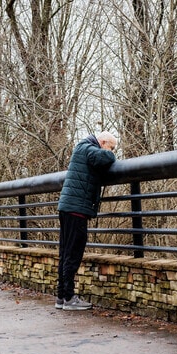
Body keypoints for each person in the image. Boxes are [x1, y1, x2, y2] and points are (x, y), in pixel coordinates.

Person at [56, 131, 117, 310]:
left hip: (69, 207)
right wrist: (111, 154)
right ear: (103, 141)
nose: (112, 151)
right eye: (111, 147)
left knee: (65, 252)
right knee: (73, 253)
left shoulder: (82, 147)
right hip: (76, 210)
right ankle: (68, 298)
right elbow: (103, 158)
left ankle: (61, 296)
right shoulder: (87, 148)